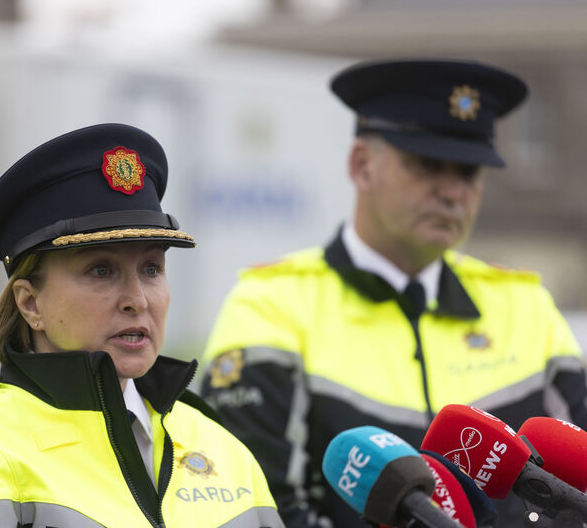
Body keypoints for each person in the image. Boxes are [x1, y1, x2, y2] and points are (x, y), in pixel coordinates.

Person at [200, 59, 587, 527]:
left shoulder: (526, 306)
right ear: (361, 165)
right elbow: (260, 505)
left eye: (469, 171)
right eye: (427, 164)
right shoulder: (271, 305)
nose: (452, 191)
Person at [0, 123, 284, 528]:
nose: (138, 299)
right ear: (30, 303)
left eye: (151, 268)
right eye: (101, 270)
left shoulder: (221, 446)